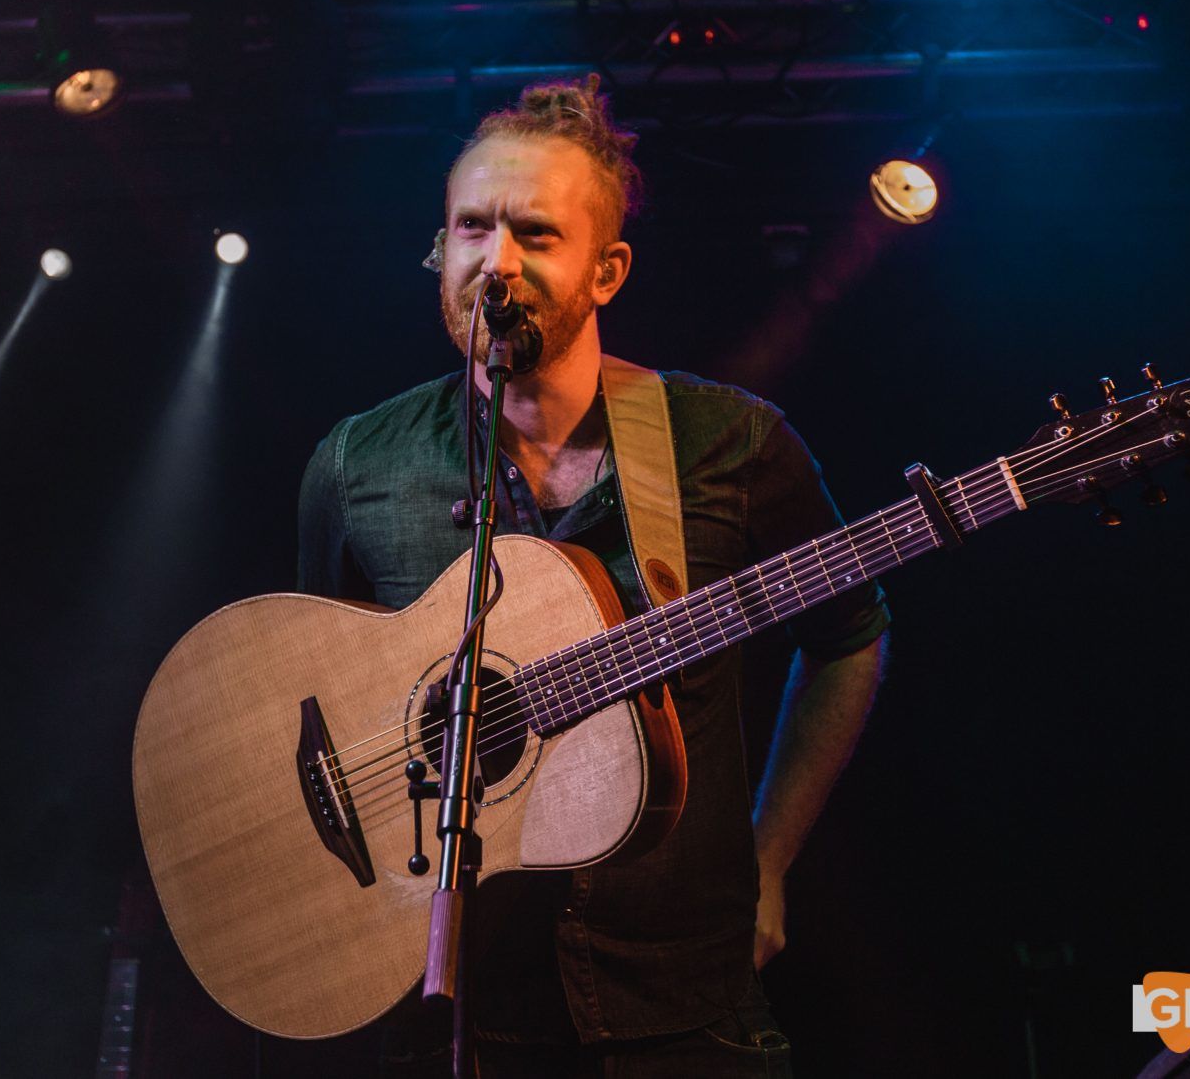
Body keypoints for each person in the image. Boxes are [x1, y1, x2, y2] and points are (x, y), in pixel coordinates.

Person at [297, 75, 888, 1078]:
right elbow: (301, 693)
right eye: (473, 228)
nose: (497, 261)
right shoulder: (358, 466)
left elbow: (850, 635)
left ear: (608, 268)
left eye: (535, 232)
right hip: (455, 1015)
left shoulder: (731, 443)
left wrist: (770, 856)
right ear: (440, 251)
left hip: (684, 1006)